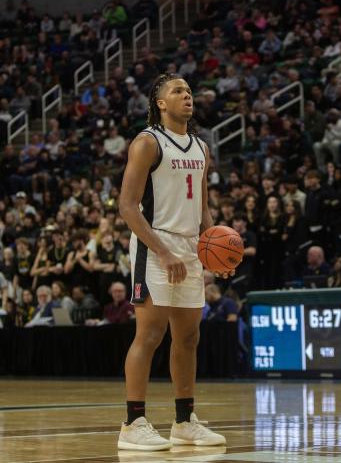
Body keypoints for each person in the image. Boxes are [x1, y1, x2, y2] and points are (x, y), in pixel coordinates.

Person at [117, 73, 226, 451]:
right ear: (160, 103)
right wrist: (163, 251)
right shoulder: (147, 142)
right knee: (149, 335)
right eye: (177, 91)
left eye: (189, 91)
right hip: (154, 244)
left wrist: (214, 250)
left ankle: (184, 421)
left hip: (191, 247)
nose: (187, 95)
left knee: (189, 337)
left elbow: (203, 209)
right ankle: (133, 424)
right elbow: (127, 208)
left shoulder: (200, 147)